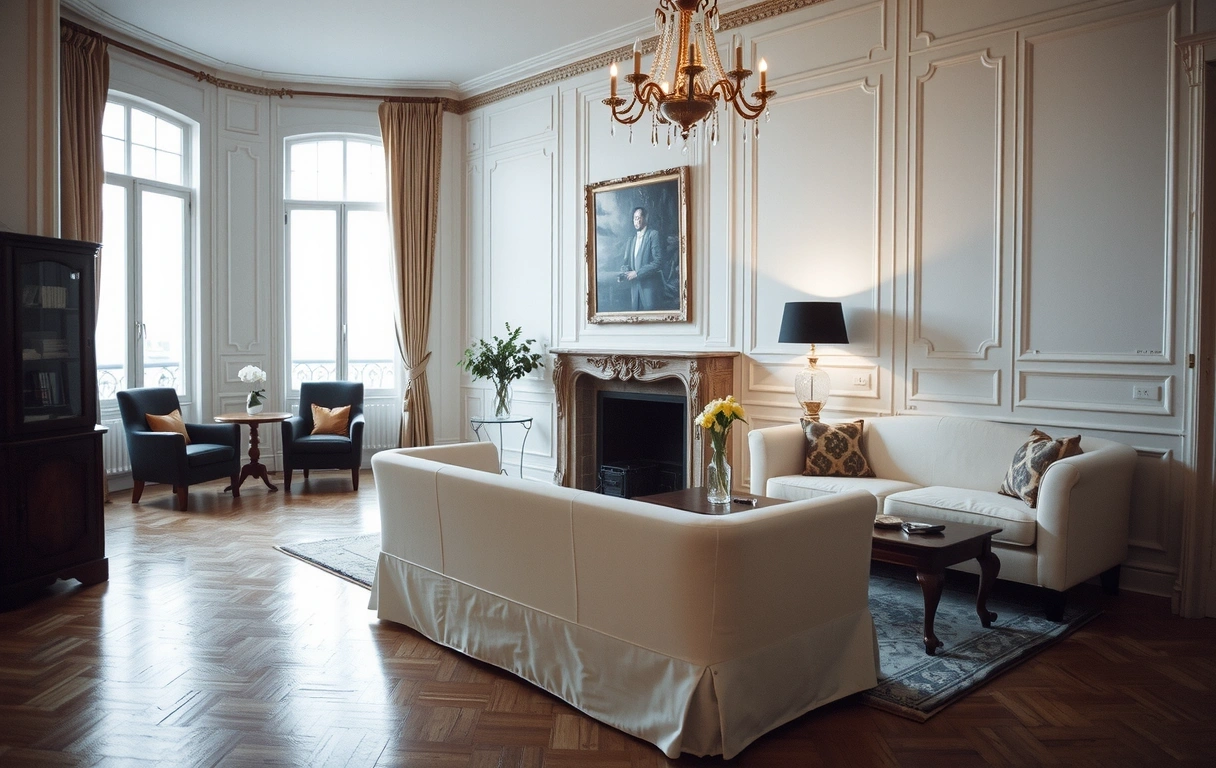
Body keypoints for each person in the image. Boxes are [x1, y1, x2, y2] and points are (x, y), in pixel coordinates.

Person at [619, 207, 667, 311]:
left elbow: (658, 262)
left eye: (638, 218)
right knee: (636, 318)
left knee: (651, 317)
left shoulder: (653, 235)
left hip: (649, 289)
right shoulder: (631, 240)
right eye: (634, 218)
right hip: (634, 288)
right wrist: (625, 270)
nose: (636, 221)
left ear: (646, 218)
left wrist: (637, 273)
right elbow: (627, 263)